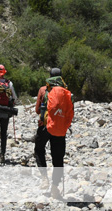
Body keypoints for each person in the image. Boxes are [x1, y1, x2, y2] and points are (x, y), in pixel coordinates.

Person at [34, 67, 74, 198]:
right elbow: (70, 112)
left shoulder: (43, 90)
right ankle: (55, 187)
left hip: (45, 127)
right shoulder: (66, 92)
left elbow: (37, 110)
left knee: (39, 149)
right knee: (58, 158)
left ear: (50, 76)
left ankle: (44, 177)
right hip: (60, 129)